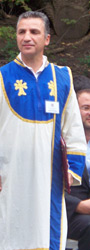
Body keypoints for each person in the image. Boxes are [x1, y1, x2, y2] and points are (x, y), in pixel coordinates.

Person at [0, 11, 87, 250]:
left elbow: (74, 129)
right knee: (4, 234)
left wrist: (73, 169)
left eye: (34, 32)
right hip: (6, 176)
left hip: (48, 179)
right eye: (21, 31)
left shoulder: (62, 78)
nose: (27, 37)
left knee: (45, 235)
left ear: (46, 39)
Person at [65, 87, 90, 249]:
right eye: (86, 108)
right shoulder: (60, 144)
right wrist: (78, 205)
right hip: (70, 211)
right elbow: (44, 184)